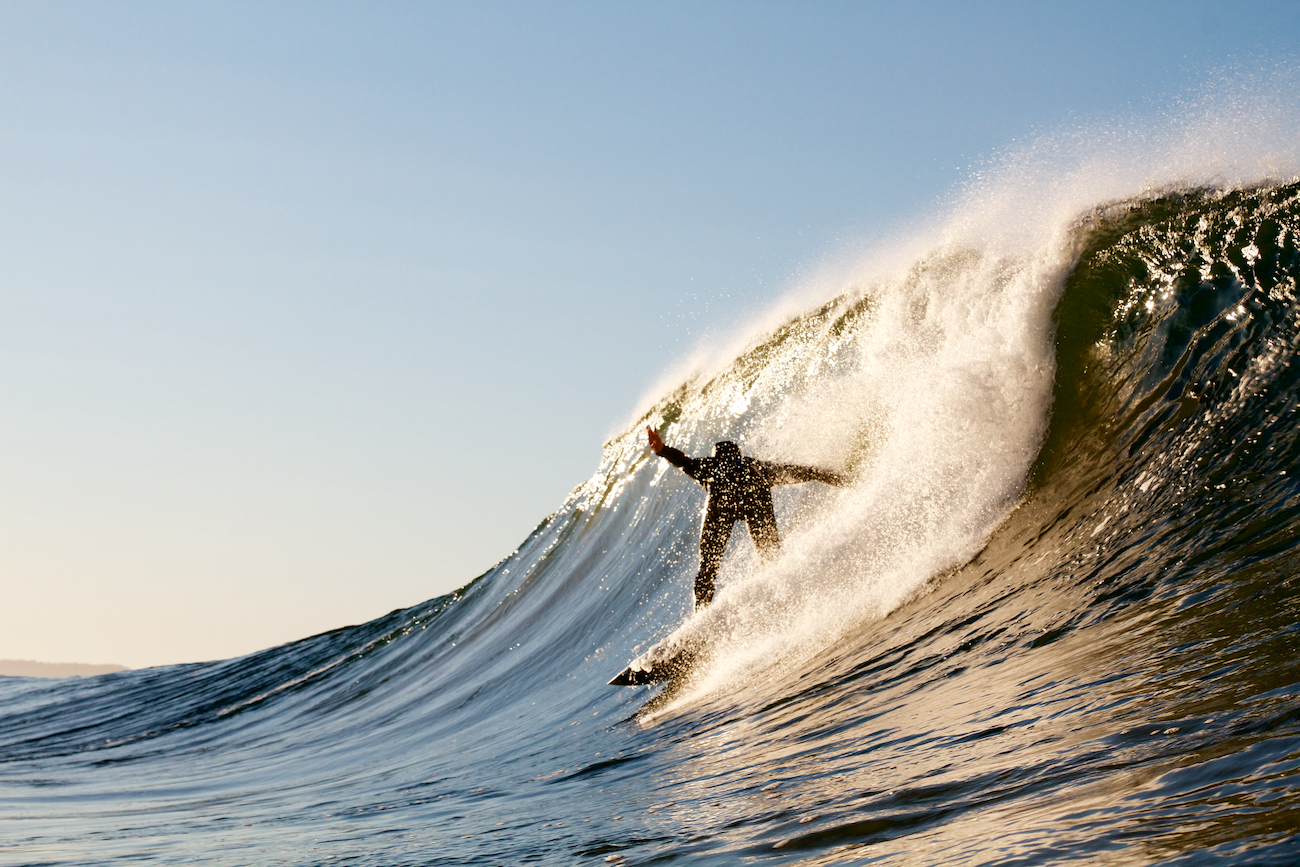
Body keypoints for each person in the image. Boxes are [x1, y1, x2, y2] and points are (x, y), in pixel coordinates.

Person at [646, 426, 848, 609]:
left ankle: (701, 616)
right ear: (738, 455)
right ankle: (784, 603)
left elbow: (683, 461)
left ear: (717, 457)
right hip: (754, 495)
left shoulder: (710, 465)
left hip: (721, 503)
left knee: (707, 569)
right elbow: (806, 472)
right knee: (771, 558)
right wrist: (844, 479)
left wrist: (662, 449)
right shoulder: (756, 465)